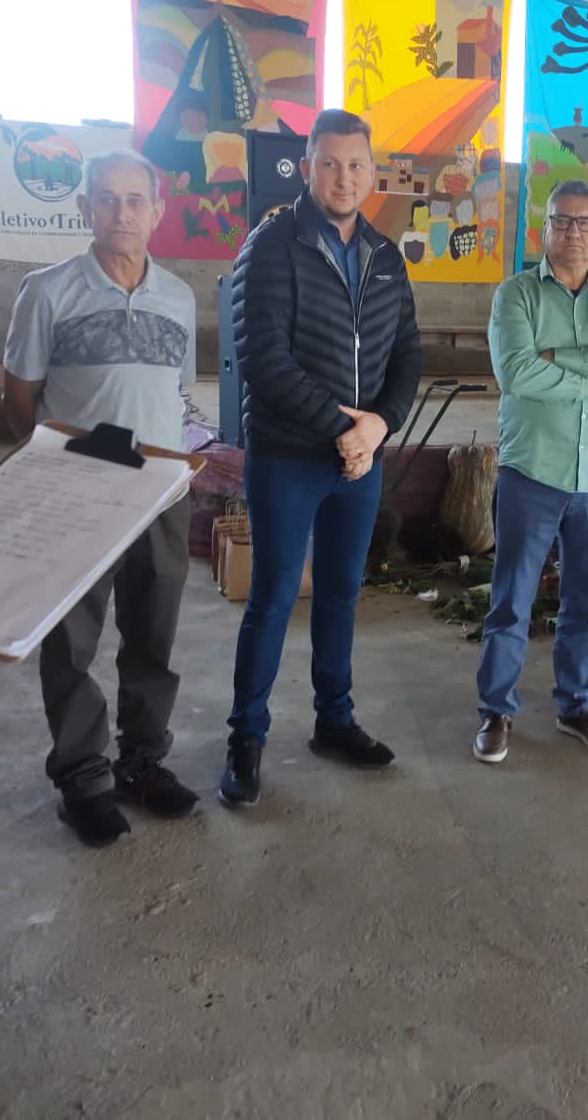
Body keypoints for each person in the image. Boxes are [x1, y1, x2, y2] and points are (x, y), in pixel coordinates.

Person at [220, 108, 421, 805]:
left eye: (356, 165)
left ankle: (334, 721)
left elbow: (407, 355)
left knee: (340, 593)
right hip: (289, 458)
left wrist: (380, 427)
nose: (343, 177)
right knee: (274, 598)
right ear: (306, 168)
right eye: (329, 163)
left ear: (372, 173)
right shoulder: (271, 245)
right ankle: (246, 736)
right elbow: (263, 359)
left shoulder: (386, 255)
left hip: (359, 461)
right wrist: (344, 430)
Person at [4, 149, 201, 846]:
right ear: (85, 207)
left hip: (160, 491)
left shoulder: (178, 296)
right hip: (77, 490)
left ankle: (142, 760)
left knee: (153, 632)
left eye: (135, 199)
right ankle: (83, 776)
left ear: (157, 211)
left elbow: (173, 390)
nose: (122, 213)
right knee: (72, 639)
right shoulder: (47, 291)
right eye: (108, 199)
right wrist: (60, 468)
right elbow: (20, 398)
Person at [473, 179, 588, 764]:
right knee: (512, 599)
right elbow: (517, 375)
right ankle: (495, 710)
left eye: (586, 223)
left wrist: (559, 359)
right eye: (562, 220)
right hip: (533, 471)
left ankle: (576, 706)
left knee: (586, 603)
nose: (574, 232)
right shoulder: (516, 295)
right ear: (543, 228)